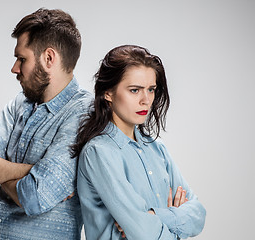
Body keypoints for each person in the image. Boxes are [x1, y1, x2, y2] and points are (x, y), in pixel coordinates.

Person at [0, 8, 92, 239]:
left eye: (22, 59)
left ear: (49, 58)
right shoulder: (19, 104)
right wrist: (34, 171)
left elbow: (35, 195)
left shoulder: (85, 114)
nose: (14, 68)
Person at [72, 45, 206, 239]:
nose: (146, 100)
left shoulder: (157, 149)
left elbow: (199, 214)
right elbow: (144, 233)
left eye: (151, 89)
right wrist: (176, 219)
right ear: (108, 93)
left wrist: (156, 216)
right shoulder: (99, 152)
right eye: (135, 90)